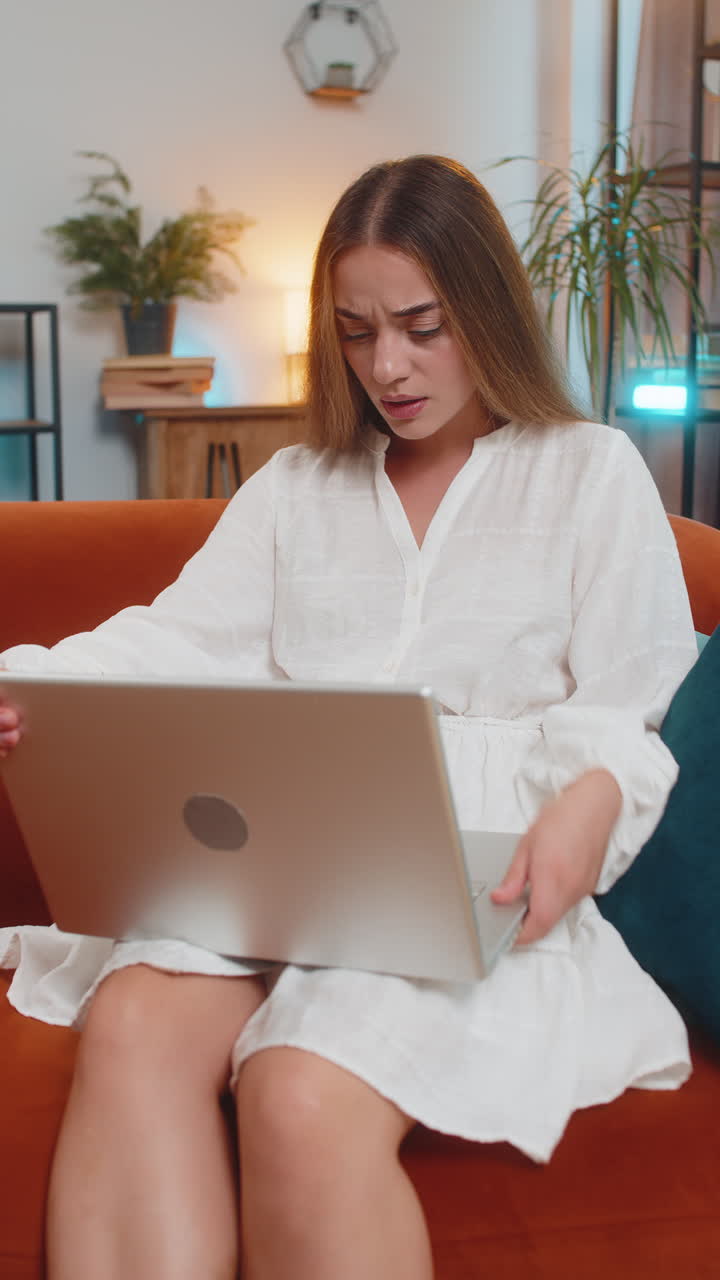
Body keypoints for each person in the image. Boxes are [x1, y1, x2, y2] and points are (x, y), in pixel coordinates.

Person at [0, 154, 699, 1280]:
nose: (390, 365)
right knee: (131, 1023)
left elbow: (629, 704)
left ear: (485, 308)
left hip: (478, 883)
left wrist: (586, 808)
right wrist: (26, 683)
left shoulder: (589, 474)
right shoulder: (297, 488)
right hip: (281, 865)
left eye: (422, 325)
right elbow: (176, 640)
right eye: (359, 330)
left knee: (298, 1082)